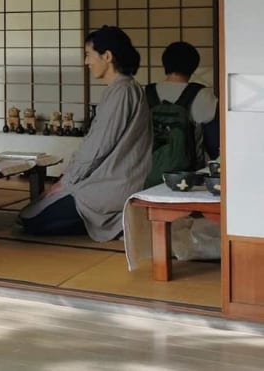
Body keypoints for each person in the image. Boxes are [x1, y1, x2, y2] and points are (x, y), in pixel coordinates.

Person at [19, 26, 152, 241]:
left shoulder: (123, 91)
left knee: (32, 221)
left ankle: (119, 222)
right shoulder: (123, 89)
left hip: (110, 184)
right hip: (103, 180)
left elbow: (98, 146)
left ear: (107, 56)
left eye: (89, 55)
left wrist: (67, 180)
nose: (86, 62)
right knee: (29, 213)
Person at [145, 42, 219, 184]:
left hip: (146, 173)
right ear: (193, 66)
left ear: (165, 64)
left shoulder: (147, 93)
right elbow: (215, 136)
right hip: (186, 176)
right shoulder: (201, 94)